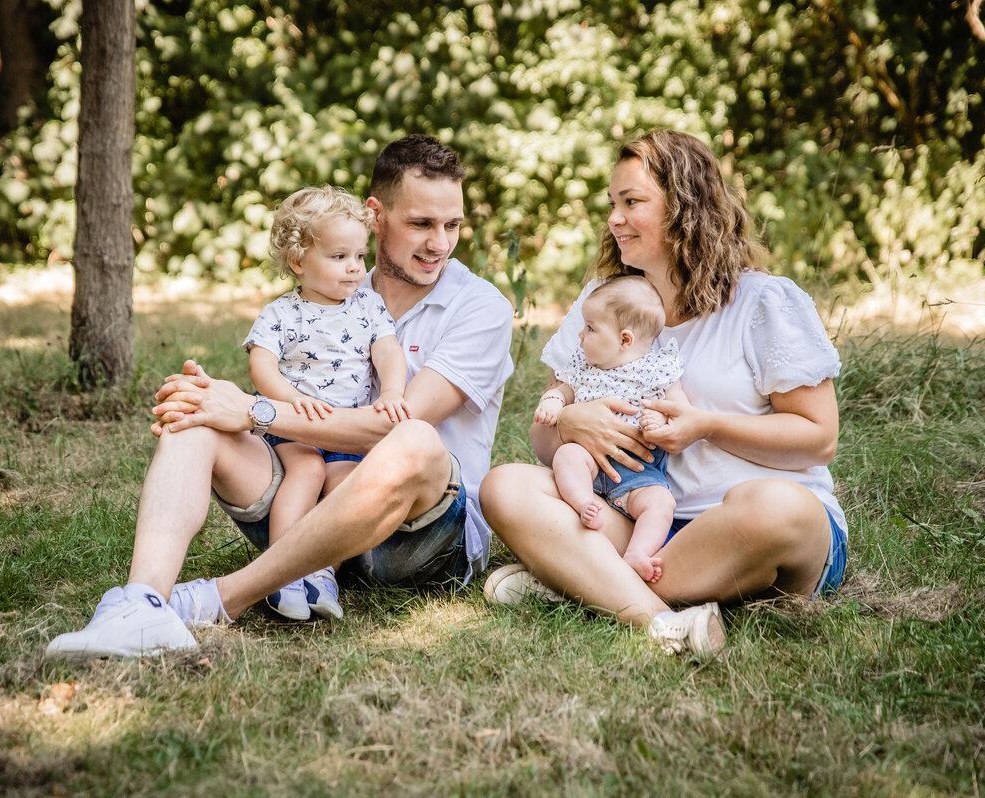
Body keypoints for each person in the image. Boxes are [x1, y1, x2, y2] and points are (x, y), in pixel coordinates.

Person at [45, 135, 515, 660]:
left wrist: (253, 411)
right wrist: (222, 403)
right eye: (422, 224)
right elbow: (273, 366)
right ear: (375, 216)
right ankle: (140, 605)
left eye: (452, 224)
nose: (440, 243)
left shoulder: (481, 307)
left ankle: (221, 598)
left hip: (419, 539)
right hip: (310, 512)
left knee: (413, 438)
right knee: (199, 411)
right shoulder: (332, 278)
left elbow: (391, 427)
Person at [480, 128, 847, 657]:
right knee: (506, 486)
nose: (614, 218)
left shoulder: (764, 303)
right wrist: (568, 423)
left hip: (752, 529)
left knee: (773, 507)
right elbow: (544, 440)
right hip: (642, 526)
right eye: (612, 203)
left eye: (633, 202)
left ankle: (583, 583)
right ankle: (661, 621)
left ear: (686, 208)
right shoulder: (603, 304)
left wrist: (707, 426)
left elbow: (819, 439)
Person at [244, 186, 410, 620]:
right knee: (308, 469)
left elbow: (389, 352)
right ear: (299, 262)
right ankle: (279, 571)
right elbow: (262, 368)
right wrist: (293, 401)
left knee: (344, 483)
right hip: (295, 424)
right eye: (339, 257)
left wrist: (392, 391)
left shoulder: (367, 306)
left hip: (347, 429)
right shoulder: (282, 313)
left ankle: (322, 573)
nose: (355, 268)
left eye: (359, 256)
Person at [532, 274, 685, 583]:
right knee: (568, 456)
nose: (580, 334)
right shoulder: (583, 365)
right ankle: (583, 502)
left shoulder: (657, 369)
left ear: (624, 339)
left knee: (660, 503)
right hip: (588, 461)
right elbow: (564, 390)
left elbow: (680, 410)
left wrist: (662, 421)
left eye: (590, 328)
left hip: (638, 473)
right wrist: (553, 400)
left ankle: (637, 553)